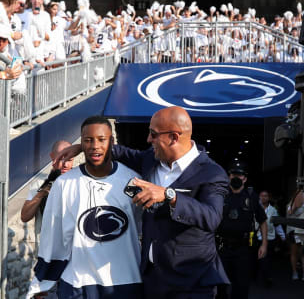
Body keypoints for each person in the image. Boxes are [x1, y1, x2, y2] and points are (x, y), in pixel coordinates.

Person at [56, 106, 230, 298]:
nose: (148, 139)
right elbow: (122, 152)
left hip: (192, 283)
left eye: (153, 134)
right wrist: (84, 146)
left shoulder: (211, 173)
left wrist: (169, 195)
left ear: (174, 136)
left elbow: (212, 217)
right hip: (152, 281)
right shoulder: (150, 159)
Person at [28, 116, 143, 299]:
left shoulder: (133, 181)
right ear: (81, 144)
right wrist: (42, 280)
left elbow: (145, 227)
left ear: (112, 142)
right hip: (77, 283)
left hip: (125, 281)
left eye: (101, 139)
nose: (94, 145)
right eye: (88, 140)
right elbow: (53, 237)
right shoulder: (64, 184)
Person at [214, 162, 267, 299]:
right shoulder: (220, 194)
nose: (236, 178)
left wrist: (264, 244)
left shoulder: (252, 196)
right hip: (222, 247)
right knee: (220, 285)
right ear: (229, 177)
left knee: (241, 286)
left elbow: (263, 221)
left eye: (240, 175)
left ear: (245, 178)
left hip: (244, 249)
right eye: (233, 175)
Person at [20, 140, 75, 231]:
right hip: (47, 243)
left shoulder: (80, 181)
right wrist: (41, 193)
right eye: (62, 159)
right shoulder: (40, 184)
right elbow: (24, 216)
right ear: (52, 157)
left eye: (70, 160)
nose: (65, 164)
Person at [256, 189, 285, 287]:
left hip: (270, 238)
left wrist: (282, 236)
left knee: (266, 259)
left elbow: (277, 225)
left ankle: (266, 277)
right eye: (261, 195)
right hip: (257, 238)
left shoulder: (273, 210)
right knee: (259, 259)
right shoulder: (255, 208)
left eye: (265, 196)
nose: (263, 197)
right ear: (259, 197)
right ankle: (263, 277)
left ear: (269, 198)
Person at [286, 187, 304, 280]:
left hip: (302, 231)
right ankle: (294, 272)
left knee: (302, 253)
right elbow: (290, 213)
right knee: (294, 252)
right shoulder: (290, 205)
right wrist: (295, 206)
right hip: (293, 231)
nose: (301, 195)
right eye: (299, 194)